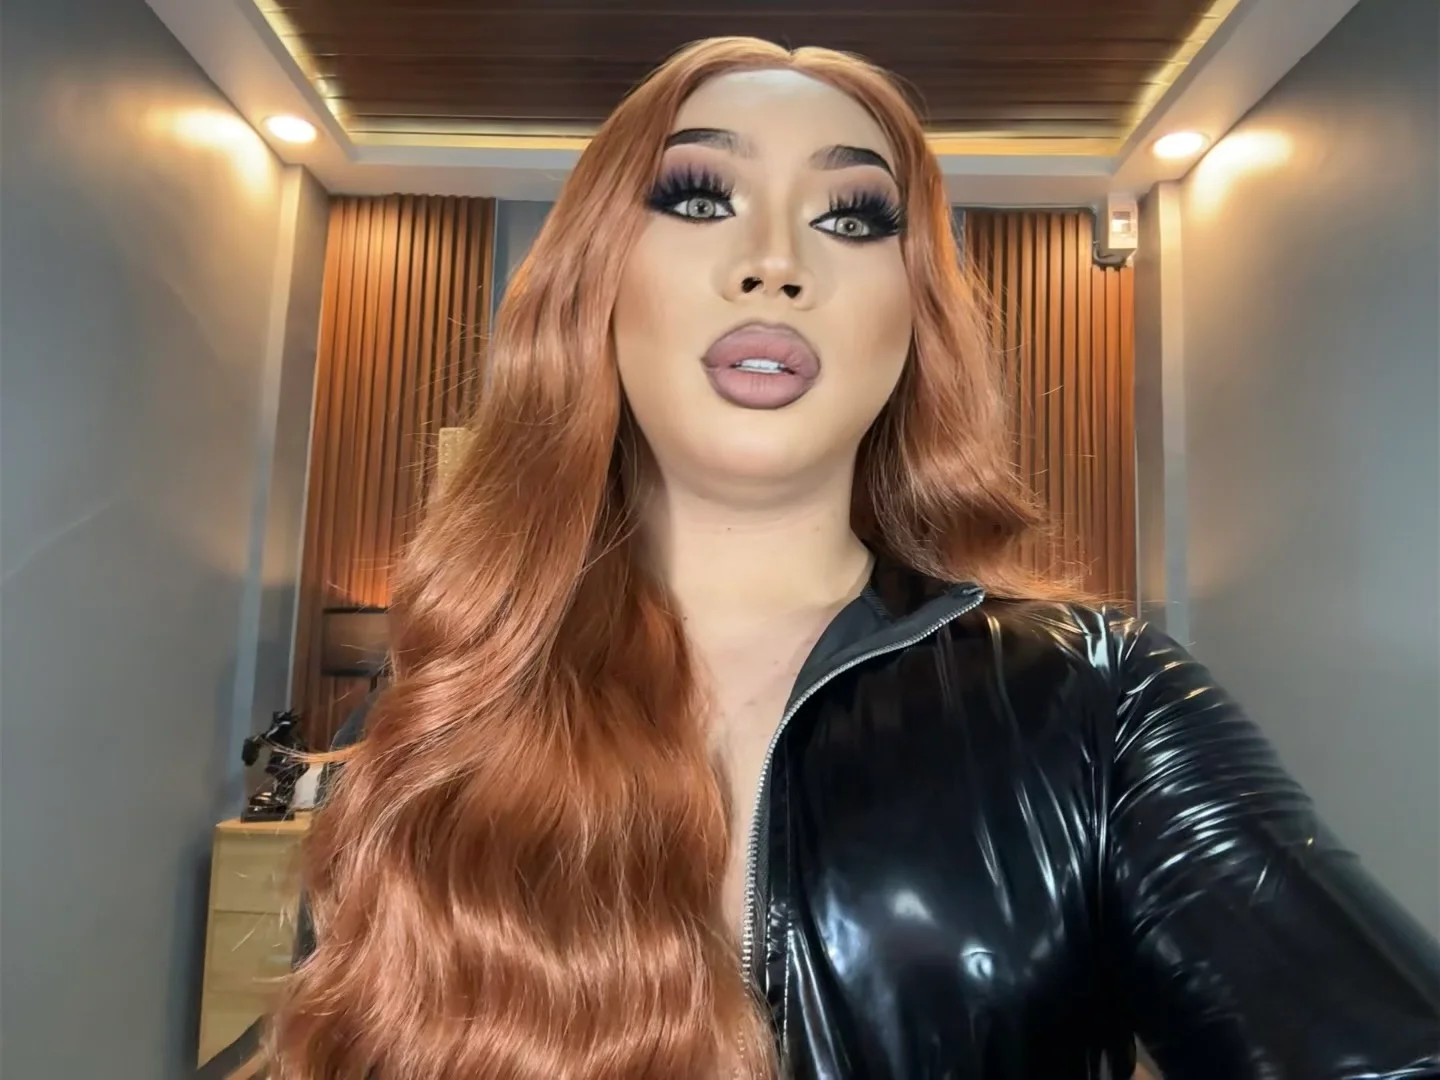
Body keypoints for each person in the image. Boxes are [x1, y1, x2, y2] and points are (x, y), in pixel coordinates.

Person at [267, 36, 1440, 1080]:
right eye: (698, 196)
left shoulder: (1097, 701)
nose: (776, 263)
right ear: (594, 285)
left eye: (853, 218)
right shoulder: (443, 714)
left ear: (912, 318)